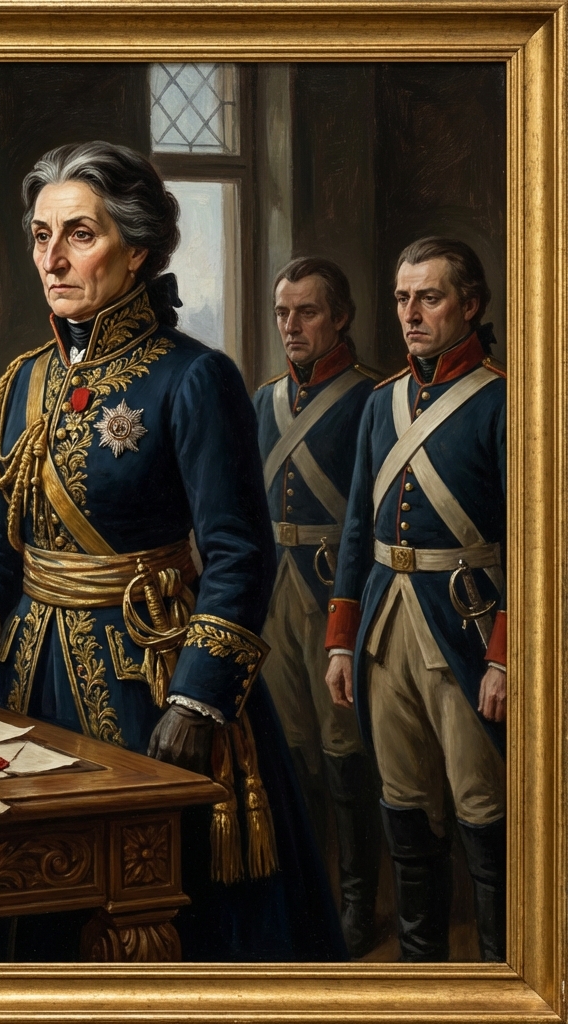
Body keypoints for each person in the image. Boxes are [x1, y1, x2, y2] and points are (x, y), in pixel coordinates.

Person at [0, 140, 345, 962]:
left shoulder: (194, 377)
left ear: (139, 249)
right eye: (40, 235)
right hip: (32, 684)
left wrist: (198, 701)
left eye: (79, 235)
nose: (52, 258)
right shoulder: (23, 382)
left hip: (151, 684)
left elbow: (237, 553)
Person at [325, 237, 506, 962]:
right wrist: (342, 641)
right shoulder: (381, 403)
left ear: (471, 305)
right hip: (384, 626)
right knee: (403, 808)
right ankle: (418, 976)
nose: (411, 313)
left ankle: (498, 979)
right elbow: (356, 529)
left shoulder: (504, 401)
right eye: (403, 298)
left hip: (464, 629)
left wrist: (505, 657)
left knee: (482, 813)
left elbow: (533, 548)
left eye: (429, 298)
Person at [252, 257, 381, 957]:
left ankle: (358, 904)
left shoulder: (371, 400)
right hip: (273, 594)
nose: (292, 326)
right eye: (283, 313)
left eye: (307, 312)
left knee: (344, 757)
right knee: (293, 755)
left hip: (335, 595)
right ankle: (311, 899)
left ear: (340, 318)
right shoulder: (263, 400)